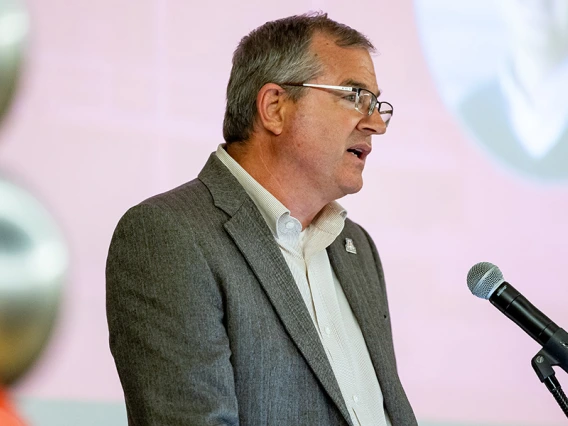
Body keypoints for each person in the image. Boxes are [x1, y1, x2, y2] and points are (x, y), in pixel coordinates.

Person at [106, 13, 417, 426]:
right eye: (354, 95)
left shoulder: (356, 248)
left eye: (377, 104)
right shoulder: (170, 235)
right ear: (274, 108)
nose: (375, 123)